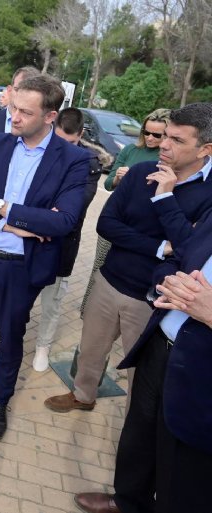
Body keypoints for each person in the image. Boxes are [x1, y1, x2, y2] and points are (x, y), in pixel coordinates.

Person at [0, 74, 90, 440]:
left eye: (25, 112)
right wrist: (16, 224)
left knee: (10, 338)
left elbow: (64, 222)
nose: (15, 117)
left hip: (23, 269)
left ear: (50, 116)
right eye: (13, 108)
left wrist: (1, 207)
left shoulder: (73, 160)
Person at [45, 103, 212, 414]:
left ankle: (135, 425)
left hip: (152, 300)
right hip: (109, 281)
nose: (163, 144)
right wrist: (161, 248)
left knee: (142, 374)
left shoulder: (208, 195)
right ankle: (83, 395)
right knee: (92, 350)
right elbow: (106, 225)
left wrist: (165, 198)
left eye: (176, 140)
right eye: (165, 136)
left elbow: (190, 250)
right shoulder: (140, 173)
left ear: (205, 149)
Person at [73, 210, 212, 513]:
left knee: (184, 469)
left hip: (204, 374)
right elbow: (183, 254)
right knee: (140, 434)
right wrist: (167, 281)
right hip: (160, 346)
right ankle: (127, 501)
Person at [31, 108, 109, 371]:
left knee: (52, 302)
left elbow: (76, 204)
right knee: (20, 295)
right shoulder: (40, 149)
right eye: (60, 141)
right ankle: (9, 334)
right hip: (30, 239)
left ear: (81, 135)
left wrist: (43, 212)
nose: (65, 149)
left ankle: (43, 346)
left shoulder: (90, 162)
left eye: (71, 143)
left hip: (63, 244)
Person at [80, 109, 172, 315]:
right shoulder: (130, 150)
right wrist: (122, 178)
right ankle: (88, 312)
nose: (150, 138)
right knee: (99, 268)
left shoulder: (167, 159)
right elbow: (110, 183)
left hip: (144, 225)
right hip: (116, 218)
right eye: (146, 132)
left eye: (157, 135)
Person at [0, 66, 40, 134]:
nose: (22, 95)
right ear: (9, 90)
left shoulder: (44, 125)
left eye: (29, 92)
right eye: (17, 89)